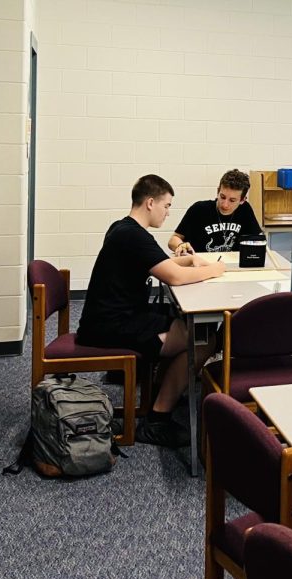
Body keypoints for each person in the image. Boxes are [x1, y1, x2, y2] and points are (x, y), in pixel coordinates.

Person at [77, 174, 226, 447]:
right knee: (203, 337)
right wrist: (214, 270)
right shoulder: (132, 235)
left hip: (116, 315)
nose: (168, 212)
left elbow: (162, 264)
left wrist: (191, 259)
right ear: (149, 203)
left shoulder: (124, 228)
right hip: (110, 325)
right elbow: (174, 277)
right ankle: (157, 419)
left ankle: (162, 388)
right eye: (166, 205)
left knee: (186, 321)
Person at [168, 168, 263, 255]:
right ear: (218, 191)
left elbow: (257, 240)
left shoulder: (245, 210)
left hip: (233, 264)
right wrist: (180, 245)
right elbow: (173, 240)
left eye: (232, 200)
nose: (225, 204)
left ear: (242, 200)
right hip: (201, 265)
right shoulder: (199, 209)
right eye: (222, 197)